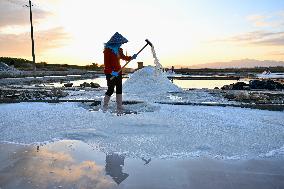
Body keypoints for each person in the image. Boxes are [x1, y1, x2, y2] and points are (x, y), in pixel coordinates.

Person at [102, 32, 137, 114]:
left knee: (119, 88)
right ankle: (105, 106)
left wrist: (131, 57)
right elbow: (106, 64)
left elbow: (123, 57)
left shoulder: (119, 50)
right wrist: (112, 72)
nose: (121, 44)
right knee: (110, 89)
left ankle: (119, 107)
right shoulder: (107, 51)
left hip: (119, 71)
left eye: (121, 43)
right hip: (110, 73)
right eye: (120, 43)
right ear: (115, 42)